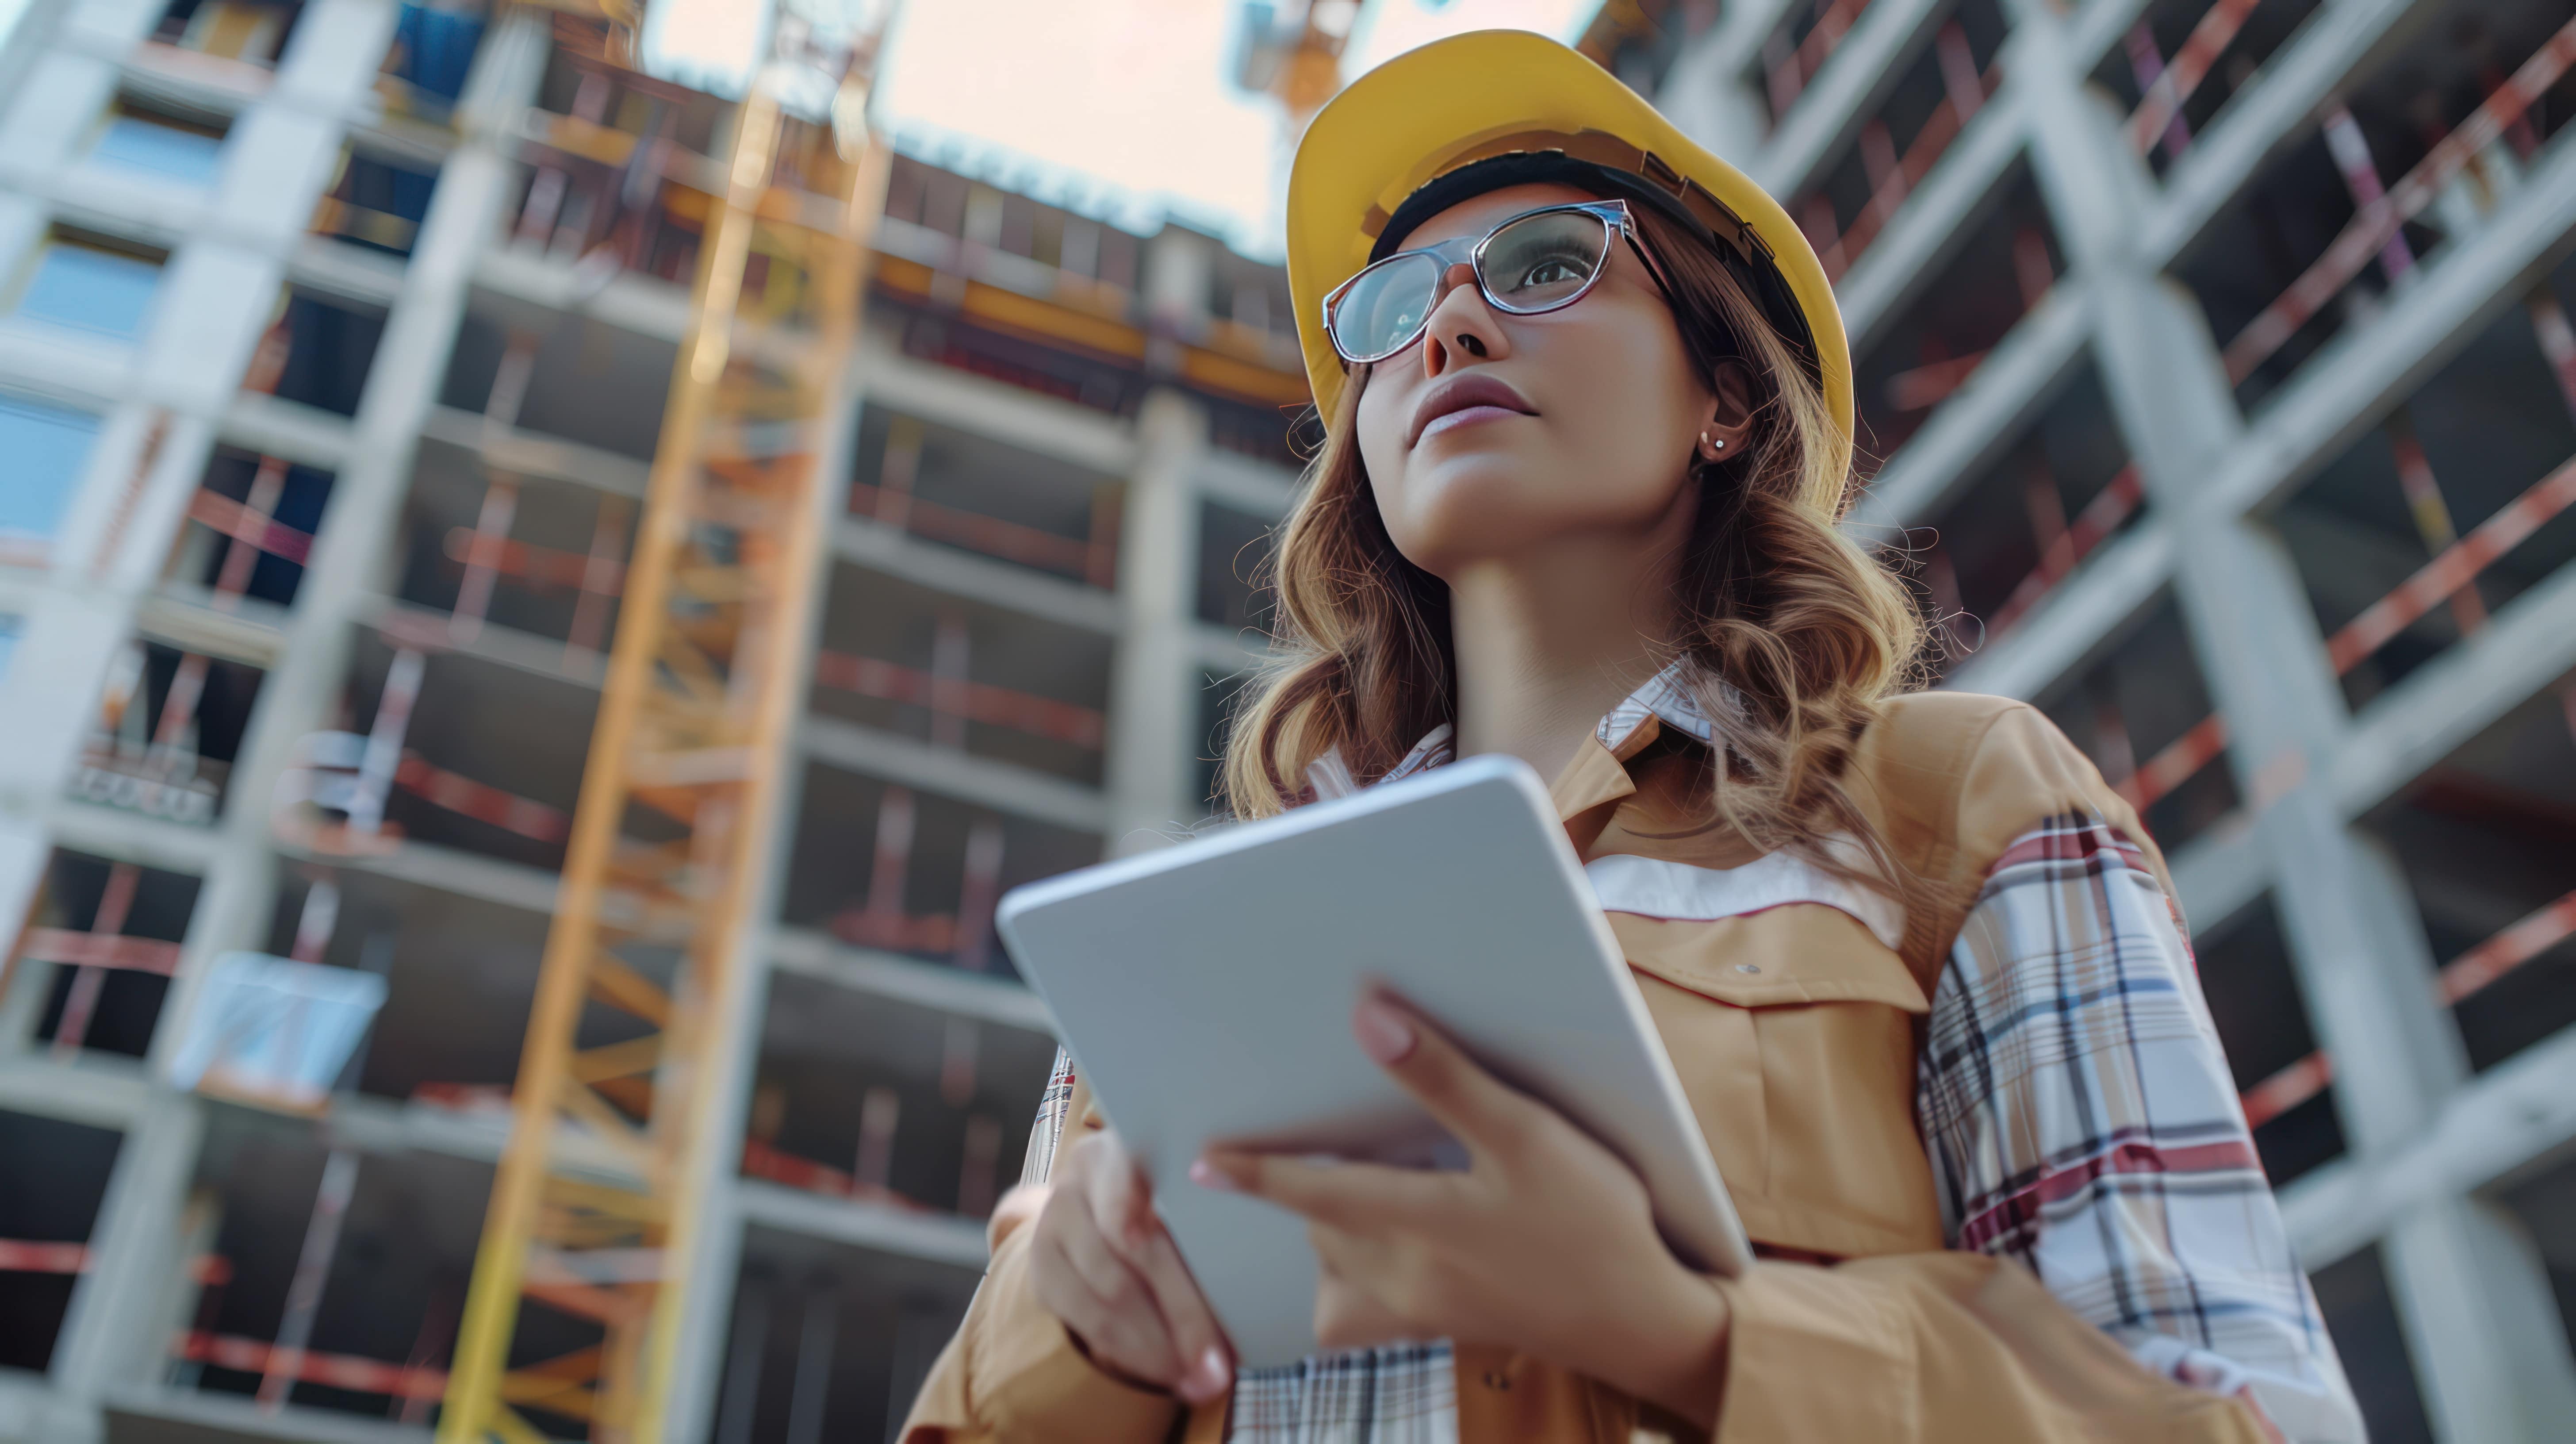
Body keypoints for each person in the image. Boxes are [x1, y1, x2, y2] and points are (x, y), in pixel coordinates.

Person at [902, 30, 2360, 1444]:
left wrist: (1683, 1332)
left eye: (1547, 264)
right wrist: (1071, 1330)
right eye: (1393, 309)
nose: (1454, 323)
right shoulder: (1186, 954)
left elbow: (2241, 1417)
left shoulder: (1953, 808)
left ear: (1724, 396)